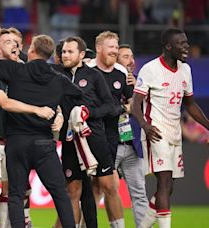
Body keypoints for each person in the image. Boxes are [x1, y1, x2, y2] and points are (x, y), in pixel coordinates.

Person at [0, 34, 84, 228]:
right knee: (60, 193)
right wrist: (59, 110)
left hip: (17, 142)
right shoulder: (57, 78)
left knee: (16, 195)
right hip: (44, 143)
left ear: (31, 51)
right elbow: (79, 95)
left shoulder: (16, 70)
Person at [0, 29, 55, 228]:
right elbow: (5, 103)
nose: (14, 44)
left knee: (12, 192)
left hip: (13, 140)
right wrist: (37, 110)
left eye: (16, 42)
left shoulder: (23, 71)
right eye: (8, 42)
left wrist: (56, 112)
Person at [133, 27, 209, 228]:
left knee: (168, 187)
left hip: (174, 132)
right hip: (155, 132)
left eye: (186, 42)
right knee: (164, 183)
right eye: (181, 43)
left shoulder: (186, 70)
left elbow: (190, 104)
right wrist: (144, 125)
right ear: (168, 46)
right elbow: (135, 103)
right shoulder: (150, 69)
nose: (187, 47)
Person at [54, 36, 116, 228]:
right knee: (73, 190)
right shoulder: (55, 74)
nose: (65, 55)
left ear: (81, 54)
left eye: (70, 51)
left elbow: (110, 106)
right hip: (69, 140)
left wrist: (90, 113)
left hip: (94, 138)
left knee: (106, 185)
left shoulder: (93, 75)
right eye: (63, 51)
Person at [87, 31, 128, 228]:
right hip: (88, 134)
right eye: (111, 47)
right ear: (99, 48)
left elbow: (130, 100)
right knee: (95, 187)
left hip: (111, 135)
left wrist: (125, 108)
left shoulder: (122, 72)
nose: (115, 51)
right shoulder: (86, 69)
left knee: (105, 186)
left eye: (116, 47)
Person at [116, 44, 148, 227]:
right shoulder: (105, 80)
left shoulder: (141, 84)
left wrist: (138, 90)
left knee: (139, 194)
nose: (131, 60)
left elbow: (151, 110)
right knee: (98, 191)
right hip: (111, 145)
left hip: (132, 145)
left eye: (132, 56)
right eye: (126, 56)